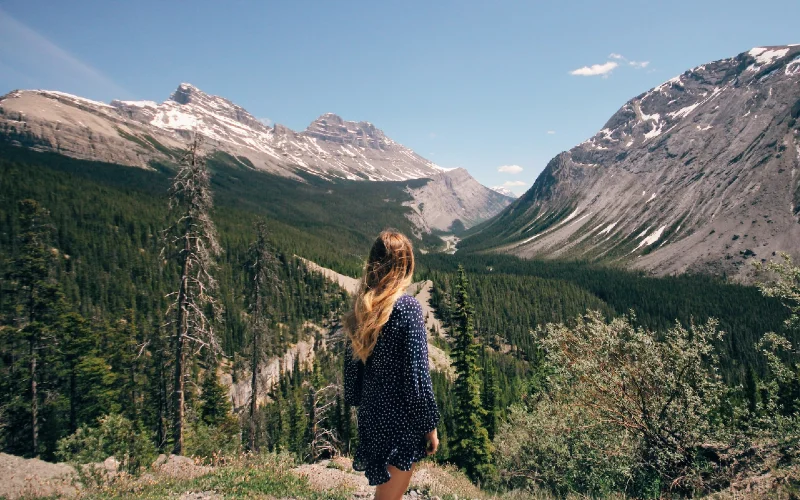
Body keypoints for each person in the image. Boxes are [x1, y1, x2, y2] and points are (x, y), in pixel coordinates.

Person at [343, 229, 440, 499]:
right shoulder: (407, 308)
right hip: (400, 423)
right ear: (405, 266)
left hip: (372, 416)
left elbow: (352, 367)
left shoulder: (364, 305)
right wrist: (429, 426)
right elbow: (417, 378)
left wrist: (357, 401)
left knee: (385, 493)